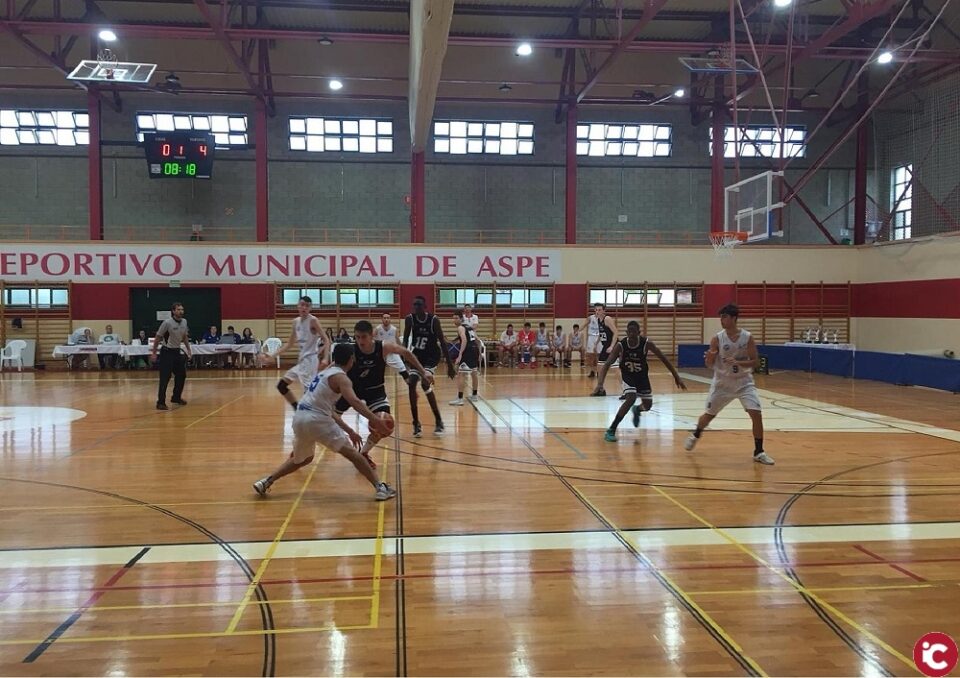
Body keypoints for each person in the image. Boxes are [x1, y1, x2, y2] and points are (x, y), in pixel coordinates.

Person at [252, 344, 398, 501]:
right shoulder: (342, 378)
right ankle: (380, 487)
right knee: (354, 455)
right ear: (351, 359)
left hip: (300, 418)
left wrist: (350, 431)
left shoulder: (324, 373)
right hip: (317, 420)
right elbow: (355, 402)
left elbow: (330, 411)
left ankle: (266, 481)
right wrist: (375, 420)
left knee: (302, 459)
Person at [684, 304, 775, 465]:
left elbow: (756, 363)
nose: (721, 320)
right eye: (721, 317)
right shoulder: (717, 338)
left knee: (756, 413)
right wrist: (710, 356)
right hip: (722, 383)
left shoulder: (747, 337)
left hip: (743, 382)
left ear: (733, 318)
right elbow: (708, 364)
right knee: (709, 415)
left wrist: (739, 361)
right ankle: (697, 433)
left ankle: (758, 451)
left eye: (724, 317)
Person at [341, 320, 432, 467]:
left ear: (372, 336)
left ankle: (363, 453)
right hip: (351, 389)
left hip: (375, 391)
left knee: (385, 424)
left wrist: (423, 372)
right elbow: (334, 367)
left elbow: (406, 353)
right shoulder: (350, 349)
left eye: (363, 337)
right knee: (324, 417)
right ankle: (304, 446)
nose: (360, 341)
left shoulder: (382, 347)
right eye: (357, 337)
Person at [593, 320, 687, 442]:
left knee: (647, 406)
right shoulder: (621, 345)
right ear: (626, 332)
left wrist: (676, 376)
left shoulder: (646, 343)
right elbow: (607, 364)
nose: (631, 334)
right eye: (629, 332)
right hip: (628, 376)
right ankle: (611, 429)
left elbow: (663, 358)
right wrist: (600, 384)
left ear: (639, 332)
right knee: (631, 397)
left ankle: (637, 410)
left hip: (642, 377)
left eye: (634, 332)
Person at [263, 296, 330, 411]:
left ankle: (318, 413)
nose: (304, 308)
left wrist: (325, 358)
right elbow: (289, 344)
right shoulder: (296, 322)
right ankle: (297, 409)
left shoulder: (313, 321)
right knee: (281, 386)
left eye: (307, 306)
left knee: (309, 394)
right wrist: (272, 355)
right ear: (298, 306)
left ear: (310, 308)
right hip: (301, 361)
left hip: (310, 361)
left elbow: (327, 340)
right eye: (302, 305)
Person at [402, 296, 455, 438]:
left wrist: (450, 365)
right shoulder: (410, 319)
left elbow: (443, 343)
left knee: (425, 384)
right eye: (414, 305)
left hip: (432, 356)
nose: (416, 307)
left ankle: (438, 420)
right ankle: (416, 423)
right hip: (417, 355)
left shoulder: (433, 320)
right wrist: (404, 355)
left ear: (424, 306)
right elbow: (406, 338)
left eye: (418, 305)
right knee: (412, 383)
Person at [152, 302, 192, 410]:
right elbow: (158, 337)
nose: (181, 311)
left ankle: (176, 397)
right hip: (167, 352)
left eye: (182, 309)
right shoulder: (167, 323)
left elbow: (184, 336)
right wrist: (154, 353)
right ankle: (160, 402)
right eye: (178, 309)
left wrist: (188, 349)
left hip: (177, 352)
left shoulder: (184, 322)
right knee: (165, 377)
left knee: (181, 375)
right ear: (173, 311)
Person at [449, 309, 481, 405]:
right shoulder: (469, 327)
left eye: (456, 318)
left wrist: (460, 355)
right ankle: (474, 395)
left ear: (461, 318)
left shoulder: (461, 328)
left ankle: (460, 398)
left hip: (468, 352)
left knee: (461, 374)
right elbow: (477, 340)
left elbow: (464, 340)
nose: (454, 320)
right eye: (453, 318)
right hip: (474, 350)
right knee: (474, 373)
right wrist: (479, 353)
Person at [374, 313, 411, 382]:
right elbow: (371, 339)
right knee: (375, 370)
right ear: (382, 319)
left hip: (392, 352)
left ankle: (410, 385)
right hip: (380, 352)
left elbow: (397, 340)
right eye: (384, 318)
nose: (386, 319)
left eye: (388, 318)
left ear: (390, 319)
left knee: (402, 367)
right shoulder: (377, 328)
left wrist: (402, 350)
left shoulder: (394, 329)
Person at [586, 303, 617, 379]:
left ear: (604, 311)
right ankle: (600, 388)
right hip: (605, 346)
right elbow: (601, 334)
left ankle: (626, 387)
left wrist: (612, 346)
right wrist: (596, 344)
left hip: (612, 347)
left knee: (616, 369)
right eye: (596, 310)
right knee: (599, 368)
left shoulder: (607, 319)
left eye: (599, 310)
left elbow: (616, 332)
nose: (597, 312)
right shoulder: (598, 320)